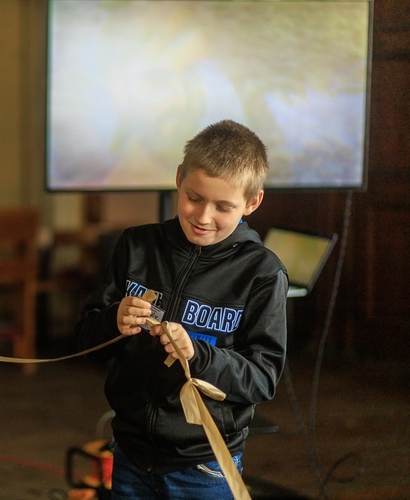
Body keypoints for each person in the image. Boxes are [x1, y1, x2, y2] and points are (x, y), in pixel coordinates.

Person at [76, 119, 288, 499]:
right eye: (194, 197)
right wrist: (114, 320)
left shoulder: (262, 273)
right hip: (130, 454)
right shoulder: (137, 246)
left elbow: (262, 378)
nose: (203, 217)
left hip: (204, 466)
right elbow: (86, 339)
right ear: (178, 178)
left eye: (223, 207)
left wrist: (199, 355)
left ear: (252, 202)